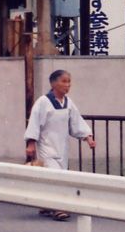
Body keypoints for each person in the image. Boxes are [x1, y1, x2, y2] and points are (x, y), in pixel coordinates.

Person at [25, 69, 97, 221]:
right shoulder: (43, 102)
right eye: (64, 81)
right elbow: (34, 123)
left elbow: (76, 123)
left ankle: (46, 204)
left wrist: (87, 137)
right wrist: (31, 143)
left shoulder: (69, 103)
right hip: (47, 146)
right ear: (53, 84)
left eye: (69, 82)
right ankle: (59, 208)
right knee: (56, 176)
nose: (67, 85)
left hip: (62, 147)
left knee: (57, 175)